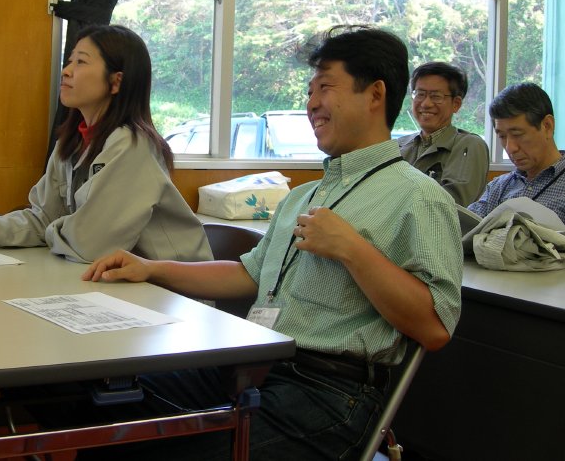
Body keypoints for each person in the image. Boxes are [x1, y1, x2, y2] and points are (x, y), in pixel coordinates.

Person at [64, 25, 463, 461]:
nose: (311, 103)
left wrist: (353, 249)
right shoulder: (304, 196)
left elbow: (434, 327)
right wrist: (151, 269)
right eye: (310, 90)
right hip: (252, 366)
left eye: (326, 88)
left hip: (327, 393)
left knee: (162, 450)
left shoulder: (418, 196)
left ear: (375, 95)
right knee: (109, 408)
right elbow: (248, 274)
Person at [0, 24, 211, 263]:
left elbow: (92, 245)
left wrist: (52, 230)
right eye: (70, 61)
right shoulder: (70, 143)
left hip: (172, 293)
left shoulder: (134, 146)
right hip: (115, 282)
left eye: (81, 62)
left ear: (116, 82)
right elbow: (45, 218)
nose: (66, 71)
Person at [468, 82, 565, 223]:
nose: (510, 148)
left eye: (517, 134)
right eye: (502, 136)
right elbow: (465, 227)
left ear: (547, 126)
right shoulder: (498, 187)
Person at [398, 62, 489, 206]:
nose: (426, 103)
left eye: (436, 96)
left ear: (456, 104)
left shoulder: (469, 146)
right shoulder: (398, 145)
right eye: (420, 94)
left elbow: (452, 205)